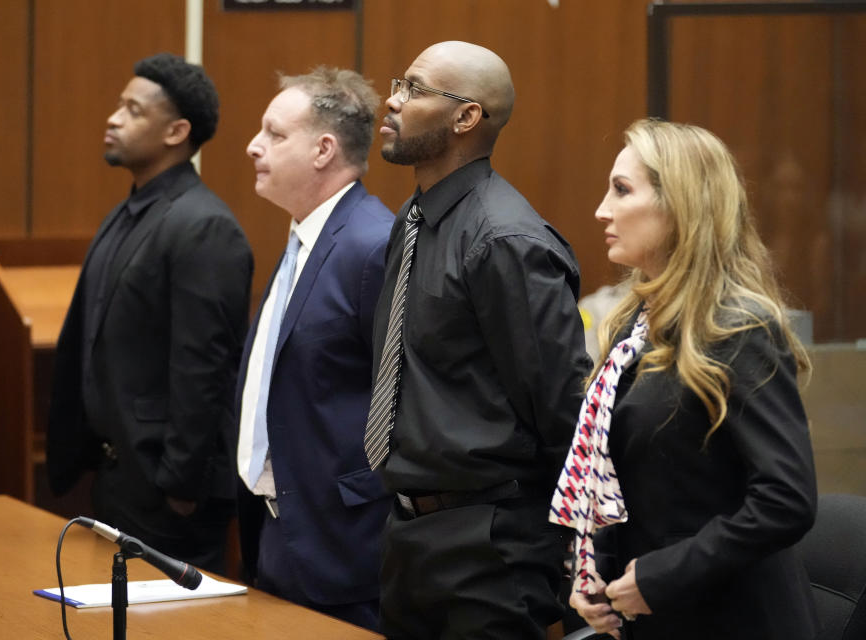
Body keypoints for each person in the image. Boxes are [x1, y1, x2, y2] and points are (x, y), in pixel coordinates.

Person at [557, 118, 818, 639]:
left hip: (733, 619)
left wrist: (658, 577)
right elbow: (615, 469)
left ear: (680, 206)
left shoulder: (737, 325)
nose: (601, 210)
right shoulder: (636, 322)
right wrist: (595, 574)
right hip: (655, 616)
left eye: (622, 190)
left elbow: (786, 500)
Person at [368, 41, 591, 638]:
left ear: (466, 117)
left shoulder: (505, 240)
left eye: (414, 89)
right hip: (409, 533)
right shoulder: (413, 219)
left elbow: (563, 410)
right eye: (399, 83)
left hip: (490, 546)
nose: (391, 100)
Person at [46, 53, 253, 576]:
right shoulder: (130, 210)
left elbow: (203, 369)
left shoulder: (203, 225)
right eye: (119, 105)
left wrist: (179, 489)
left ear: (176, 131)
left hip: (167, 491)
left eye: (133, 110)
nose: (113, 118)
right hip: (119, 475)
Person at [235, 67, 393, 631]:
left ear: (324, 149)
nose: (254, 146)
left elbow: (404, 403)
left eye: (275, 134)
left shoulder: (372, 244)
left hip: (342, 547)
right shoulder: (306, 234)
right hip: (279, 530)